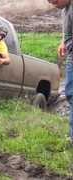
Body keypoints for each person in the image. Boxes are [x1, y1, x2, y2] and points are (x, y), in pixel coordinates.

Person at [47, 0, 73, 143]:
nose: (53, 4)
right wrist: (63, 42)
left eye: (55, 1)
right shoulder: (65, 10)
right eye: (51, 2)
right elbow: (67, 31)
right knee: (70, 93)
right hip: (71, 56)